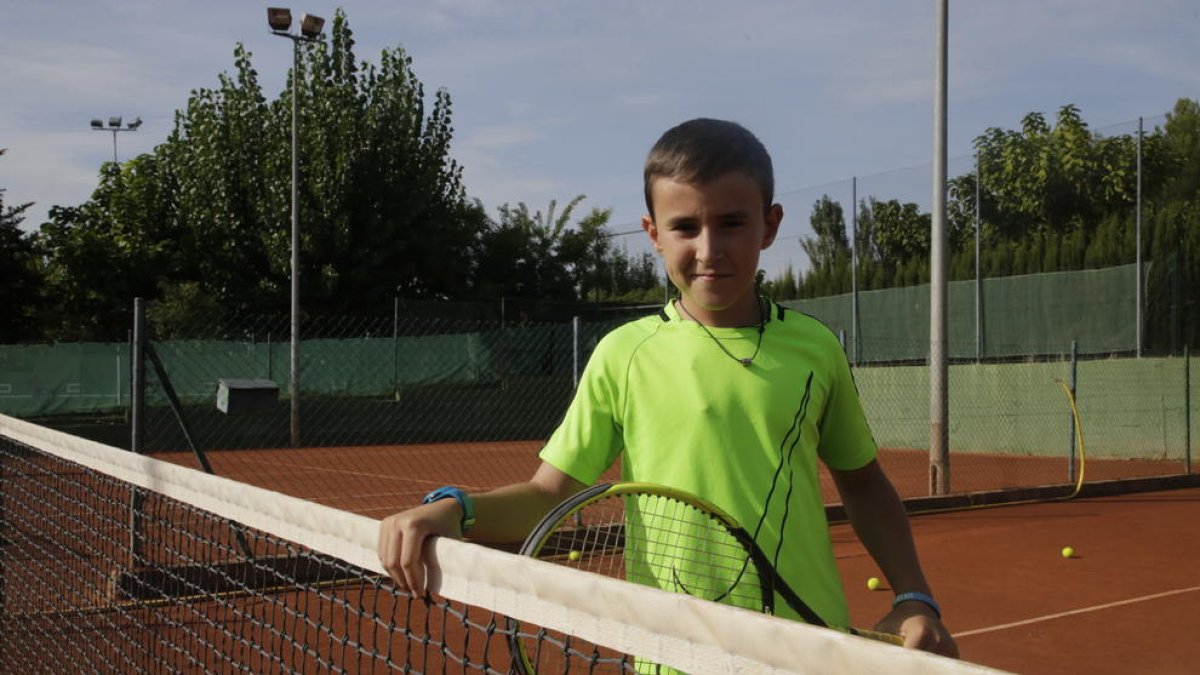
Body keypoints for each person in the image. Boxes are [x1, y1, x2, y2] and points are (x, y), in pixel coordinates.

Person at [378, 118, 958, 658]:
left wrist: (914, 595)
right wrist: (456, 509)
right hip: (672, 650)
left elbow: (863, 482)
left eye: (732, 223)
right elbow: (550, 494)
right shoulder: (623, 354)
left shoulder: (815, 348)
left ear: (770, 225)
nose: (709, 250)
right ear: (654, 234)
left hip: (800, 649)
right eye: (685, 227)